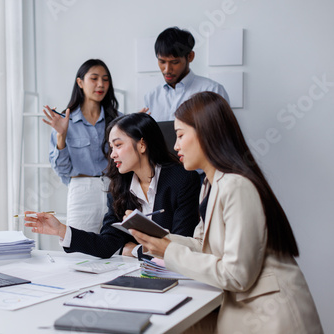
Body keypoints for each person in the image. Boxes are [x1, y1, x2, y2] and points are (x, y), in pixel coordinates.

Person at [131, 92, 323, 333]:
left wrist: (168, 251)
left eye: (180, 135)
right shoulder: (209, 185)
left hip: (271, 315)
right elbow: (202, 244)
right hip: (243, 309)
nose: (176, 145)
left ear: (205, 133)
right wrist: (160, 240)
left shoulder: (236, 185)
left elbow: (237, 274)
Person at [25, 113, 200, 259]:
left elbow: (181, 245)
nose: (112, 154)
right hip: (137, 273)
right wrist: (61, 230)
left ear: (142, 144)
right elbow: (107, 244)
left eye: (118, 145)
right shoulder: (119, 187)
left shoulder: (182, 179)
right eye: (111, 147)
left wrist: (133, 250)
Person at [43, 59, 120, 233]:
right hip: (82, 191)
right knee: (79, 250)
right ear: (80, 82)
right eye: (94, 78)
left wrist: (133, 129)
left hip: (115, 189)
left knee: (117, 249)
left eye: (105, 79)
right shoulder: (64, 121)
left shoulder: (118, 119)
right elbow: (62, 169)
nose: (101, 84)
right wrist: (61, 135)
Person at [142, 27, 229, 121]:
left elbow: (223, 133)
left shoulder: (213, 90)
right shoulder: (151, 97)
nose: (167, 70)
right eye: (162, 62)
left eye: (175, 62)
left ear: (190, 56)